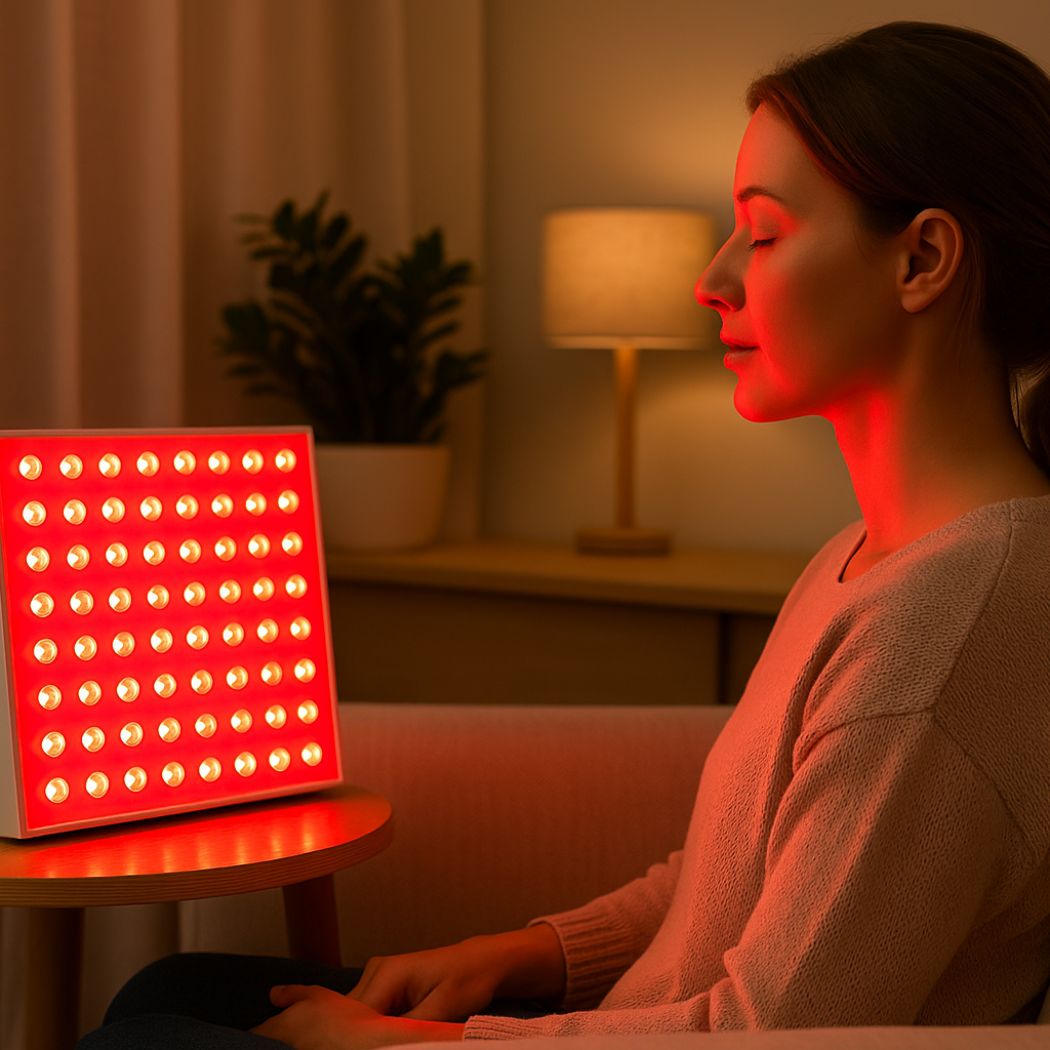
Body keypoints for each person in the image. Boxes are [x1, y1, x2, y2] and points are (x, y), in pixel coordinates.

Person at [78, 20, 1050, 1049]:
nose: (712, 276)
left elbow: (775, 1032)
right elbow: (748, 879)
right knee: (170, 990)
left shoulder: (949, 627)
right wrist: (530, 952)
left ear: (924, 258)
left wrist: (418, 1046)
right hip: (632, 1023)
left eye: (761, 234)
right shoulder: (868, 556)